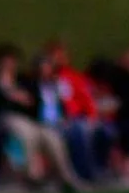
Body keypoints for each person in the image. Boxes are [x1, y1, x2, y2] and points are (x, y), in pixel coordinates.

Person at [0, 44, 85, 193]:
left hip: (29, 119)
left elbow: (33, 102)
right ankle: (32, 175)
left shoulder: (22, 79)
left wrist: (23, 99)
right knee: (25, 133)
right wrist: (11, 96)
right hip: (3, 118)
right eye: (4, 61)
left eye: (11, 61)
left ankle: (66, 178)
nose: (8, 64)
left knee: (51, 138)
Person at [39, 41, 112, 182]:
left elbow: (86, 100)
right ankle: (85, 173)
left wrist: (92, 117)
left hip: (77, 118)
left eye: (62, 56)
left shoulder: (72, 77)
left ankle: (100, 168)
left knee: (104, 131)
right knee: (78, 131)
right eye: (56, 56)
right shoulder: (43, 80)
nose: (60, 59)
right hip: (61, 121)